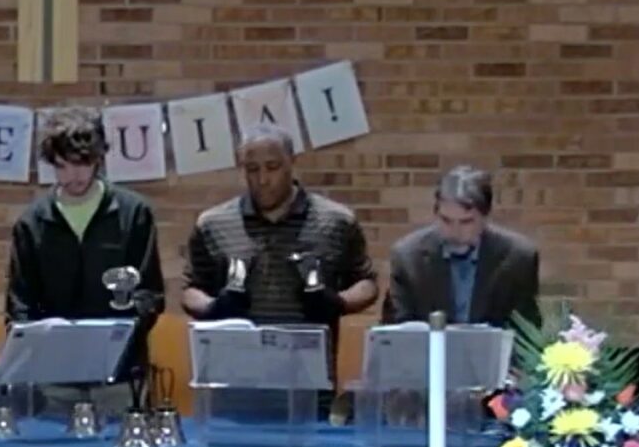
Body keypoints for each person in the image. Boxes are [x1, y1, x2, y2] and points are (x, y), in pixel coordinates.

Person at [182, 124, 378, 387]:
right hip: (233, 381)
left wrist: (338, 303)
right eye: (252, 170)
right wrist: (212, 307)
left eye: (273, 167)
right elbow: (190, 289)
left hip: (309, 383)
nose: (263, 179)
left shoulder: (336, 221)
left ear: (292, 163)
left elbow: (367, 283)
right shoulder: (213, 224)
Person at [4, 107, 164, 412]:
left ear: (98, 160)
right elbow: (19, 303)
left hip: (119, 377)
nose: (73, 176)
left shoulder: (134, 213)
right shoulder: (32, 223)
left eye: (82, 164)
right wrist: (38, 339)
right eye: (62, 166)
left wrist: (122, 329)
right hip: (53, 379)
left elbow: (151, 293)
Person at [386, 166, 541, 329]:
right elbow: (397, 331)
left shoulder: (519, 258)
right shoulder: (408, 258)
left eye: (466, 222)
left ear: (485, 216)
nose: (455, 231)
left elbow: (527, 334)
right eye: (446, 220)